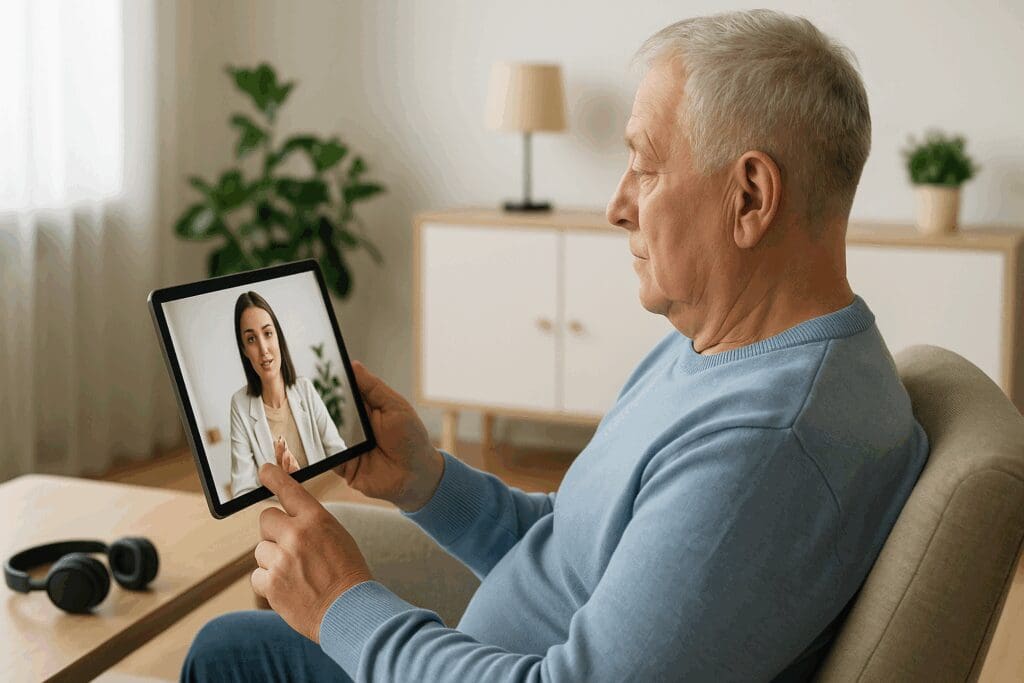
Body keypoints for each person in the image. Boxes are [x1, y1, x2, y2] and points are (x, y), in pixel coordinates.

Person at [183, 10, 930, 681]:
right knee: (235, 644)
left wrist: (344, 603)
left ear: (752, 197)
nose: (616, 204)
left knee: (227, 654)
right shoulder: (720, 348)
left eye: (645, 163)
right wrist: (429, 480)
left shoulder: (763, 445)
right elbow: (575, 548)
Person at [228, 291, 346, 499]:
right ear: (244, 350)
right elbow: (242, 491)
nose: (263, 349)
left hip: (325, 501)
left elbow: (339, 455)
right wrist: (283, 485)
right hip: (280, 513)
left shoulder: (305, 389)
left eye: (268, 333)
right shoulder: (240, 404)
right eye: (251, 339)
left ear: (278, 337)